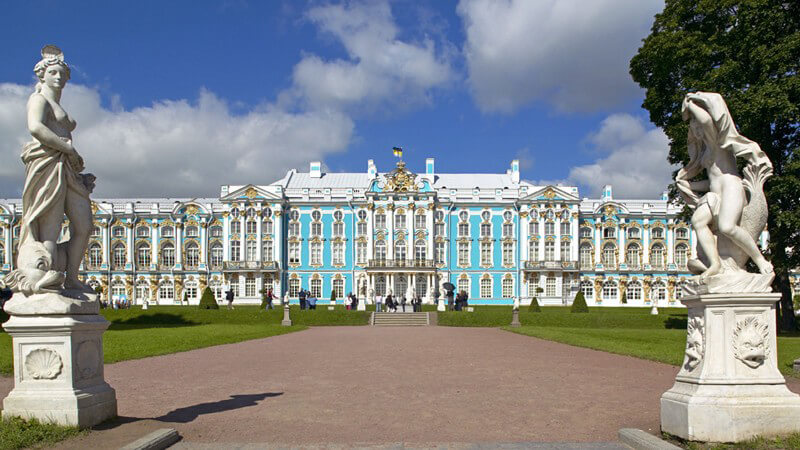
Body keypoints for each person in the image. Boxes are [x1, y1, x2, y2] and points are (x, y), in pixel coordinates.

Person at [6, 46, 96, 295]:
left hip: (65, 164)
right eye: (53, 72)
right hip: (48, 161)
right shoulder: (38, 99)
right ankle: (44, 277)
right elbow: (35, 127)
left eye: (62, 74)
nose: (59, 77)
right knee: (51, 224)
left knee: (84, 225)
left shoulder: (55, 102)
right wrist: (67, 148)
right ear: (42, 75)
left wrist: (69, 155)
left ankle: (72, 277)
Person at [676, 92, 774, 280]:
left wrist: (690, 104)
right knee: (698, 222)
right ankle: (715, 264)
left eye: (697, 127)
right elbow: (711, 180)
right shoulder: (704, 152)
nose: (697, 131)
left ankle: (760, 260)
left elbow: (705, 121)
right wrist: (688, 184)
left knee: (727, 227)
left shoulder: (719, 142)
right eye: (694, 129)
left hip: (731, 187)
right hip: (714, 192)